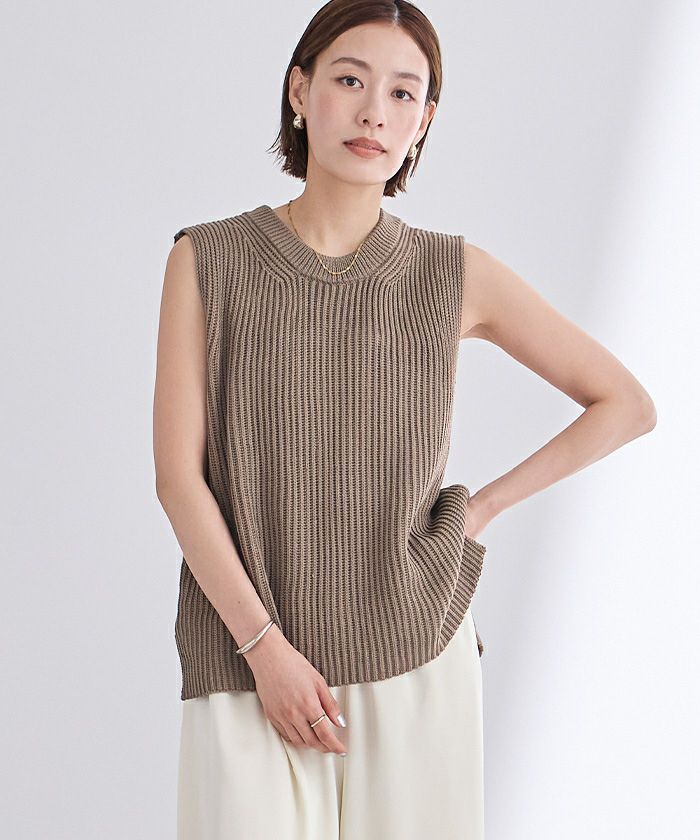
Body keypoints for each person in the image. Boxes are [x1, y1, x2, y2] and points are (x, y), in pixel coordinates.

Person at [152, 2, 657, 838]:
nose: (373, 113)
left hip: (414, 651)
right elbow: (178, 479)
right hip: (247, 662)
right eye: (350, 80)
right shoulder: (208, 259)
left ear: (424, 120)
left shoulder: (452, 273)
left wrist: (479, 511)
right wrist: (264, 647)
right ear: (300, 90)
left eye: (402, 93)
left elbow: (626, 404)